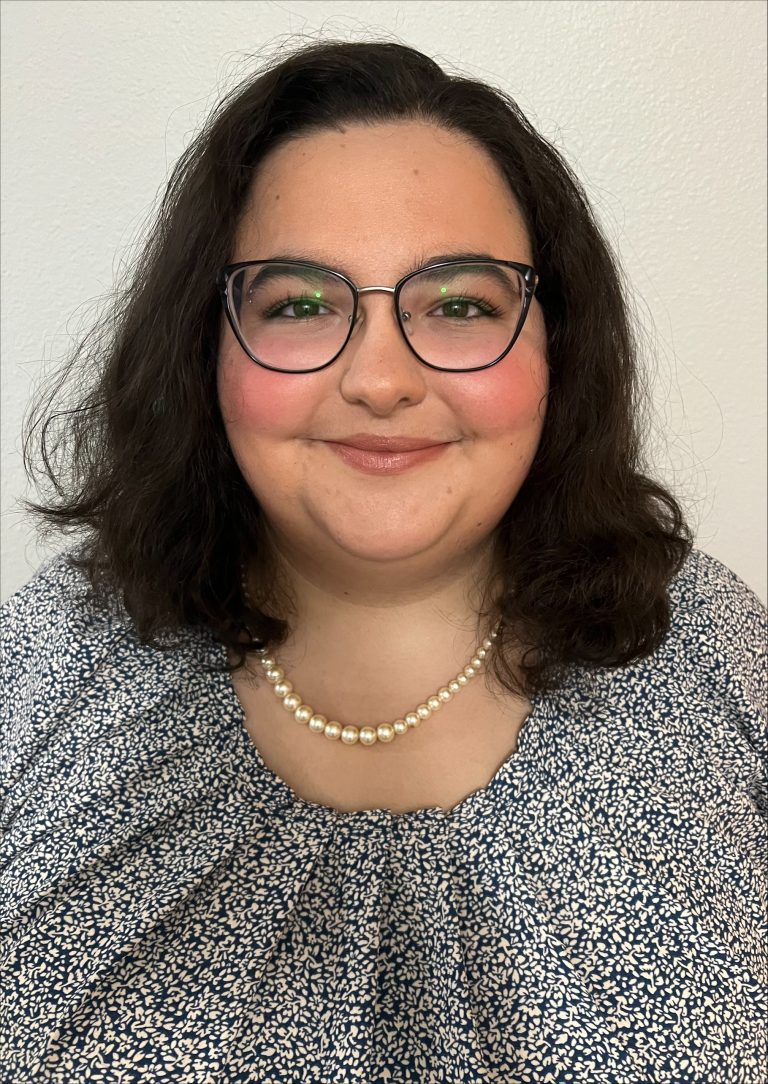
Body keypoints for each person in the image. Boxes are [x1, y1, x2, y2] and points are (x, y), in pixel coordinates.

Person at [1, 37, 765, 1083]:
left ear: (557, 341)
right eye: (299, 303)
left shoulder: (716, 646)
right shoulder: (49, 655)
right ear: (205, 345)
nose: (381, 378)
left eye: (459, 304)